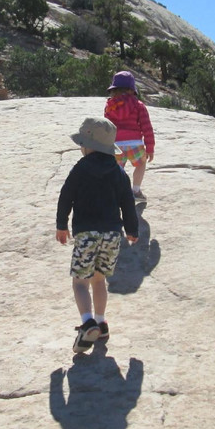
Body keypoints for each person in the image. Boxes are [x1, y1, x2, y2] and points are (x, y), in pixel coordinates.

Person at [56, 117, 139, 354]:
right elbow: (128, 204)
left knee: (80, 282)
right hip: (112, 235)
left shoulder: (80, 169)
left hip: (87, 234)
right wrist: (132, 230)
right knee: (99, 279)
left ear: (88, 145)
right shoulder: (119, 172)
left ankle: (87, 323)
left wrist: (62, 225)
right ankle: (101, 323)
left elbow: (66, 196)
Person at [104, 70, 155, 202]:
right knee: (141, 163)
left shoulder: (110, 106)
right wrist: (150, 148)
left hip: (116, 145)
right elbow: (146, 127)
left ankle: (115, 194)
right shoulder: (139, 106)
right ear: (132, 90)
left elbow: (107, 127)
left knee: (116, 170)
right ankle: (136, 191)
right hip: (135, 144)